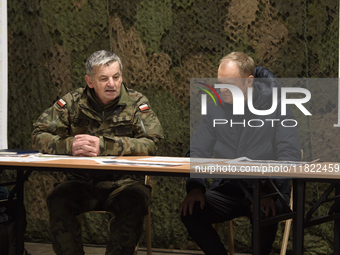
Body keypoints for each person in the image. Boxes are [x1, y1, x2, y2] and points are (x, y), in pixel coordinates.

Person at [32, 50, 163, 255]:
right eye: (104, 79)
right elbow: (39, 134)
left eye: (116, 77)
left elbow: (152, 143)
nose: (112, 84)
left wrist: (105, 146)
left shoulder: (136, 102)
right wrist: (69, 146)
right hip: (81, 182)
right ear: (90, 81)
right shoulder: (73, 102)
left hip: (123, 184)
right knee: (58, 199)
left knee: (135, 200)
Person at [179, 52, 301, 255]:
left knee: (266, 212)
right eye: (220, 82)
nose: (222, 88)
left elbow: (289, 154)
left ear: (249, 81)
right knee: (191, 211)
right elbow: (198, 150)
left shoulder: (278, 106)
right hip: (229, 188)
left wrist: (270, 191)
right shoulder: (215, 107)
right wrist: (195, 187)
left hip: (268, 191)